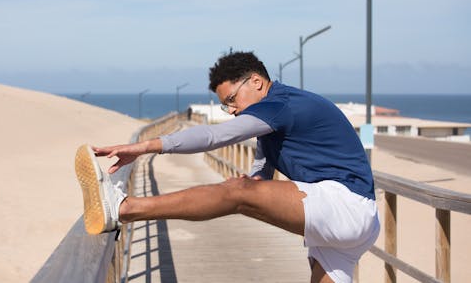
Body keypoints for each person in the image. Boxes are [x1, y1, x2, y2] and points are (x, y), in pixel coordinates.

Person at [75, 51, 380, 283]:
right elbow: (263, 166)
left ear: (257, 82)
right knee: (244, 189)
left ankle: (124, 208)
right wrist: (258, 180)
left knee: (237, 192)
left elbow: (214, 135)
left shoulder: (279, 105)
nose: (231, 110)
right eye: (225, 105)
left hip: (346, 206)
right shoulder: (274, 115)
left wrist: (144, 147)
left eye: (232, 99)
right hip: (353, 218)